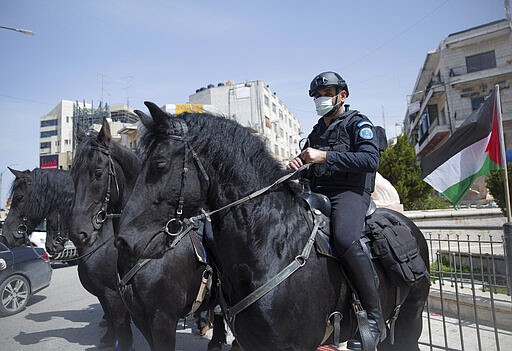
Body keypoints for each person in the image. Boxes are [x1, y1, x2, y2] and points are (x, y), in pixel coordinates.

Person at [288, 71, 383, 350]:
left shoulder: (359, 123)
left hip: (350, 193)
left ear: (342, 95)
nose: (321, 99)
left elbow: (370, 159)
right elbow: (309, 162)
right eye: (317, 95)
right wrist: (298, 164)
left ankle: (375, 318)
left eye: (326, 93)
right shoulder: (316, 131)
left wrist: (324, 155)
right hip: (317, 193)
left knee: (344, 238)